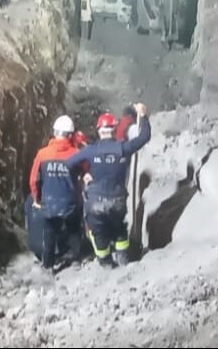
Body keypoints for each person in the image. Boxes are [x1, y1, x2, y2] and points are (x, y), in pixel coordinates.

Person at [66, 103, 152, 268]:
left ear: (99, 131)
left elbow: (69, 164)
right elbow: (144, 137)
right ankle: (123, 260)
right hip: (117, 200)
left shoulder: (90, 150)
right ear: (114, 129)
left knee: (98, 233)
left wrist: (83, 175)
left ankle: (105, 263)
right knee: (119, 230)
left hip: (96, 201)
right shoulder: (123, 148)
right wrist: (143, 115)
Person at [29, 115, 85, 269]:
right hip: (71, 203)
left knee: (49, 233)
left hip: (50, 203)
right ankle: (75, 260)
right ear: (70, 135)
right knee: (74, 228)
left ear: (54, 132)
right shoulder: (76, 154)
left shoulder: (43, 154)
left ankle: (47, 265)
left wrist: (37, 199)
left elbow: (34, 180)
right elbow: (86, 173)